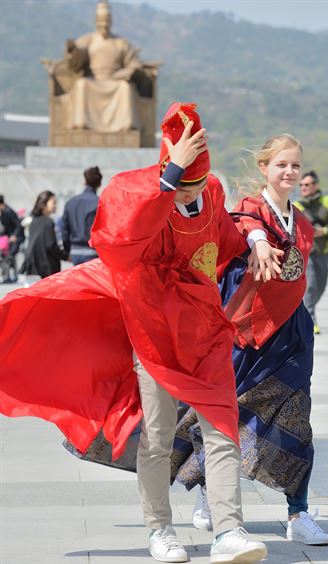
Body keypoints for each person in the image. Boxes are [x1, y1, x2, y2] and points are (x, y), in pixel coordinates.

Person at [0, 102, 267, 564]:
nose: (189, 195)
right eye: (182, 185)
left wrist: (255, 241)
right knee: (158, 436)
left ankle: (229, 531)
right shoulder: (142, 193)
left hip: (203, 328)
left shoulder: (213, 191)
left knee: (223, 430)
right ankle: (160, 529)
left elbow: (223, 235)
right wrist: (169, 181)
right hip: (154, 329)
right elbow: (122, 241)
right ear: (168, 172)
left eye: (196, 185)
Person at [171, 134, 328, 546]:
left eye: (295, 165)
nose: (290, 172)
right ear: (264, 167)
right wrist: (258, 241)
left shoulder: (305, 223)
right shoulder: (247, 211)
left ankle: (298, 512)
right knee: (226, 421)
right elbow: (245, 227)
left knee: (298, 422)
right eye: (281, 165)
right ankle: (210, 493)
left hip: (291, 337)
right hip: (245, 337)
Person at [62, 0, 143, 132]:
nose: (104, 24)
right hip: (93, 81)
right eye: (101, 20)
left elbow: (133, 63)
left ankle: (125, 126)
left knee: (125, 88)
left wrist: (123, 73)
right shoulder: (87, 40)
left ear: (111, 21)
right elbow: (76, 60)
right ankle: (82, 124)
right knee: (82, 84)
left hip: (115, 81)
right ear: (96, 21)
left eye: (107, 20)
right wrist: (72, 50)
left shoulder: (121, 42)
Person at [293, 171, 328, 334]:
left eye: (307, 185)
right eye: (301, 185)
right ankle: (310, 320)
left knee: (320, 286)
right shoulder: (296, 206)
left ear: (316, 185)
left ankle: (308, 310)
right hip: (306, 253)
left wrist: (325, 230)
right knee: (311, 285)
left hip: (324, 251)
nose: (303, 188)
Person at [20, 191, 69, 279]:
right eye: (53, 203)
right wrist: (65, 256)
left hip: (34, 267)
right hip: (47, 268)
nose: (55, 205)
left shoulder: (34, 221)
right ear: (44, 204)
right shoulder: (48, 222)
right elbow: (50, 245)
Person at [62, 166, 102, 265]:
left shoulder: (71, 202)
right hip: (92, 252)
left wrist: (67, 250)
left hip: (75, 251)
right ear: (99, 184)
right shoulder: (100, 203)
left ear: (85, 182)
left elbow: (64, 230)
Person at [0, 194, 24, 282]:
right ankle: (12, 276)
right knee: (9, 256)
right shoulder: (3, 212)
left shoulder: (8, 212)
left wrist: (14, 235)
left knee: (10, 255)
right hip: (9, 239)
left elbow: (18, 224)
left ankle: (9, 276)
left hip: (16, 238)